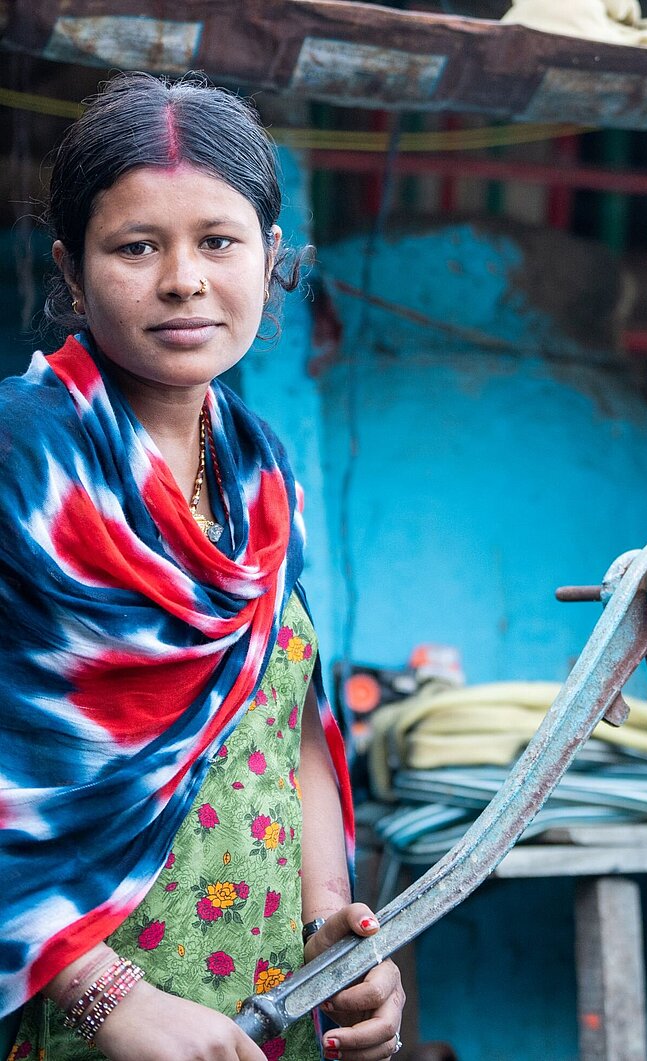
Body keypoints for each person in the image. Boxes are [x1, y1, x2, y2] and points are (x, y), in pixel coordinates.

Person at [1, 71, 404, 1061]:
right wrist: (108, 998)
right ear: (71, 266)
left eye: (217, 241)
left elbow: (287, 717)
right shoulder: (22, 458)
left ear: (269, 259)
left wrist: (330, 930)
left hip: (263, 1010)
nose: (183, 279)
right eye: (137, 246)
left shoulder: (264, 479)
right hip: (73, 1021)